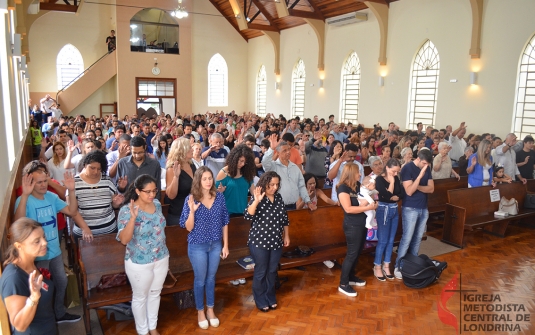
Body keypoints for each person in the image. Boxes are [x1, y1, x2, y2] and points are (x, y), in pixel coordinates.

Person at [14, 162, 82, 323]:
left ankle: (58, 313)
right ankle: (43, 317)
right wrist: (24, 196)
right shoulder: (25, 200)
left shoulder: (51, 197)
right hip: (36, 255)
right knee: (42, 288)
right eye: (39, 182)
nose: (44, 184)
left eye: (45, 180)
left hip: (54, 250)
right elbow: (18, 222)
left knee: (61, 281)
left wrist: (71, 190)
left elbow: (72, 211)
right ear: (29, 182)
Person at [117, 175, 169, 335]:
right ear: (138, 191)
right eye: (148, 192)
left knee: (155, 293)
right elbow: (124, 240)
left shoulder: (157, 205)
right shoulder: (127, 210)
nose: (152, 194)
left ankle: (152, 328)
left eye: (154, 191)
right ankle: (142, 331)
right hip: (139, 262)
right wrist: (133, 219)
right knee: (140, 297)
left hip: (161, 257)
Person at [179, 167, 229, 329]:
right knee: (200, 280)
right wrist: (192, 212)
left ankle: (210, 310)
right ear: (198, 181)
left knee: (211, 278)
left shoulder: (219, 197)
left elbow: (225, 222)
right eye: (204, 179)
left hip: (215, 244)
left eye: (210, 178)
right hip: (197, 246)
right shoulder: (191, 199)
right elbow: (187, 227)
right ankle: (200, 311)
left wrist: (225, 245)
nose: (208, 182)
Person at [0, 218, 56, 334]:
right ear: (19, 246)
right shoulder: (13, 278)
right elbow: (20, 325)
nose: (44, 242)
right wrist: (34, 298)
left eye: (43, 237)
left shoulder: (31, 264)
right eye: (37, 241)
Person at [245, 171, 289, 312]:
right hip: (259, 242)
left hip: (275, 241)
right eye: (271, 185)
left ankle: (270, 295)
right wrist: (256, 200)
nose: (274, 187)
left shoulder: (278, 197)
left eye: (277, 184)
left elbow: (284, 219)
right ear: (265, 183)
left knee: (271, 271)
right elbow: (248, 215)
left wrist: (286, 235)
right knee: (261, 271)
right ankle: (260, 298)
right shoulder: (258, 196)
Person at [336, 163, 377, 297]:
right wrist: (368, 208)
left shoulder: (358, 186)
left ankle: (351, 277)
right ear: (351, 173)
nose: (360, 174)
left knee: (358, 251)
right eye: (358, 172)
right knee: (352, 253)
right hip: (352, 225)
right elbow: (348, 209)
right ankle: (343, 284)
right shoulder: (343, 188)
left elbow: (366, 196)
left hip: (361, 223)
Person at [394, 150, 434, 280]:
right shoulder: (407, 168)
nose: (425, 166)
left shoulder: (427, 167)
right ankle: (398, 266)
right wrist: (420, 176)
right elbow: (409, 191)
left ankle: (412, 264)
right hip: (410, 208)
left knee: (417, 238)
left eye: (427, 164)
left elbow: (431, 189)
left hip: (423, 208)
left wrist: (417, 186)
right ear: (418, 158)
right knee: (407, 238)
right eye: (424, 163)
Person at [72, 151, 125, 242]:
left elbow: (113, 204)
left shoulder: (106, 180)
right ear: (85, 165)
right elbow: (72, 211)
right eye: (92, 168)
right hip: (85, 234)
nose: (96, 172)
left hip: (109, 230)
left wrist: (116, 203)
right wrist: (85, 228)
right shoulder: (74, 183)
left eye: (99, 169)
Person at [262, 135, 315, 210]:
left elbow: (301, 186)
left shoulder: (295, 167)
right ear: (278, 153)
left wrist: (308, 202)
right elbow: (265, 163)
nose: (288, 152)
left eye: (289, 150)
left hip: (293, 206)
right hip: (277, 207)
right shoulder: (273, 166)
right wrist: (271, 149)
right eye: (284, 151)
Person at [373, 159, 403, 282]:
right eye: (393, 171)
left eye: (397, 172)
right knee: (383, 240)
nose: (395, 174)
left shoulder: (396, 178)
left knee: (391, 240)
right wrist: (391, 183)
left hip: (394, 209)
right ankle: (377, 266)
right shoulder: (379, 180)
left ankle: (386, 265)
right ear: (387, 168)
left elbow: (401, 193)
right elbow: (384, 196)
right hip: (383, 210)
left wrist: (397, 196)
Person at [116, 136, 162, 200]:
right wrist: (121, 187)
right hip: (128, 204)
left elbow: (157, 188)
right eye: (134, 153)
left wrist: (155, 205)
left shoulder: (154, 164)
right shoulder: (122, 163)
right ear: (130, 149)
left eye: (140, 152)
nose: (137, 156)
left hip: (148, 204)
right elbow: (118, 188)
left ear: (145, 148)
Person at [165, 138, 196, 226]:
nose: (192, 149)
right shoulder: (172, 168)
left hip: (193, 211)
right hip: (179, 214)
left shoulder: (191, 164)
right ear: (182, 150)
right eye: (190, 147)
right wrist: (176, 177)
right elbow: (171, 195)